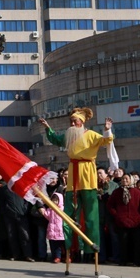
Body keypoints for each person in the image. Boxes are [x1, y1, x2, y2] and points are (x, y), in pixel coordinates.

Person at [38, 108, 114, 259]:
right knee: (70, 212)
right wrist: (48, 128)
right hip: (73, 172)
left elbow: (106, 141)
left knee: (91, 213)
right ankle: (70, 248)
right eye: (71, 121)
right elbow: (56, 139)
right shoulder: (69, 135)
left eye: (75, 121)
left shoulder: (91, 134)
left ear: (82, 122)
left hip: (87, 172)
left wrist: (107, 130)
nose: (73, 123)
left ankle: (91, 249)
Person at [107, 173, 140, 266]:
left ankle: (137, 261)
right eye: (123, 179)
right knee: (123, 242)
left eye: (127, 179)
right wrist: (117, 215)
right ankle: (123, 260)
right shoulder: (116, 192)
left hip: (136, 222)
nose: (124, 181)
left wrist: (139, 216)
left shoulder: (136, 192)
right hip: (122, 221)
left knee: (137, 242)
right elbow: (110, 205)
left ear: (131, 180)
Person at [38, 188, 65, 263]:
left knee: (59, 246)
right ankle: (54, 257)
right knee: (53, 245)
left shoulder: (62, 208)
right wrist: (43, 210)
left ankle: (59, 257)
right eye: (53, 200)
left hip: (59, 231)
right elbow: (47, 216)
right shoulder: (50, 209)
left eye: (56, 200)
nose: (54, 202)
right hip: (52, 231)